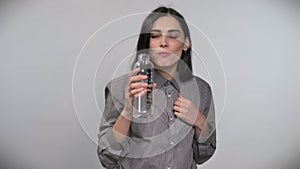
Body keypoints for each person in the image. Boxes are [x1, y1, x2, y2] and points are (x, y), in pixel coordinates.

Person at [97, 6, 216, 169]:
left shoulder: (202, 91)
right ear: (148, 43)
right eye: (155, 36)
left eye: (173, 36)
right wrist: (127, 112)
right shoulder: (120, 88)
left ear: (185, 44)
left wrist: (199, 121)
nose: (163, 43)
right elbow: (108, 159)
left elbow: (203, 155)